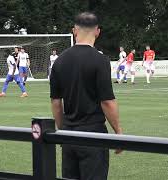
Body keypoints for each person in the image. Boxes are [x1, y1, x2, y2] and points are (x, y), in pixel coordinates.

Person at [50, 12, 122, 180]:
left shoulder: (59, 61)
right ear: (97, 31)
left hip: (68, 135)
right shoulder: (100, 60)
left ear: (74, 31)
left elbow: (55, 102)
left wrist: (62, 130)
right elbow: (107, 102)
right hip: (93, 135)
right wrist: (118, 132)